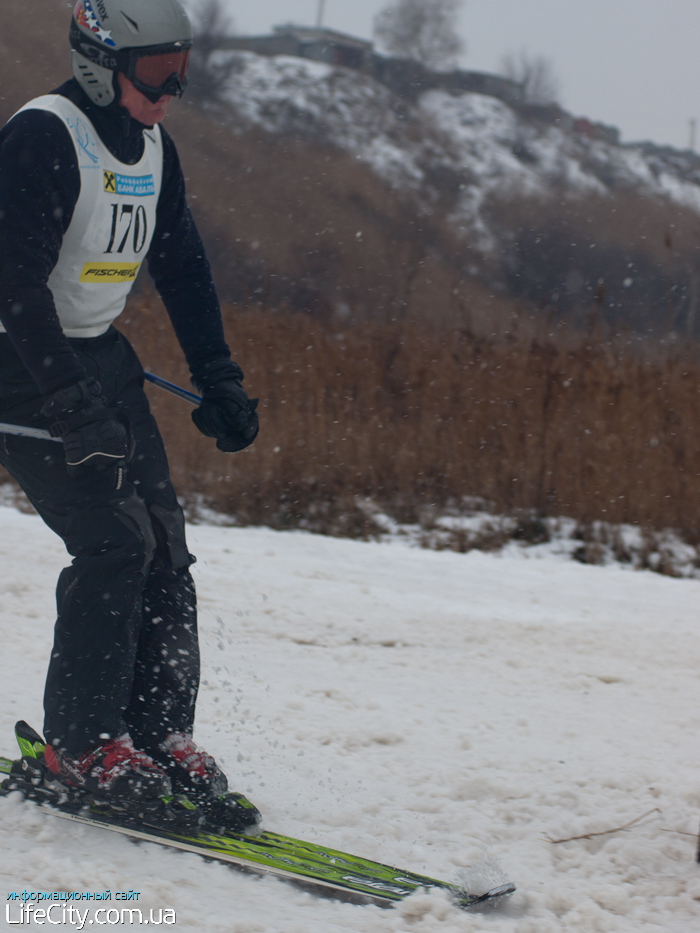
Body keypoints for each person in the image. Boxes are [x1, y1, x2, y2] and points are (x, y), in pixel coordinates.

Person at [0, 0, 260, 830]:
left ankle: (155, 733)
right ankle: (82, 744)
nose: (169, 91)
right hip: (20, 364)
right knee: (115, 542)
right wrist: (68, 401)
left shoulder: (152, 144)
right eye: (155, 74)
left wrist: (218, 377)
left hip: (98, 358)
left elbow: (182, 265)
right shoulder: (46, 136)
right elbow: (13, 286)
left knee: (164, 545)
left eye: (181, 71)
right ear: (98, 60)